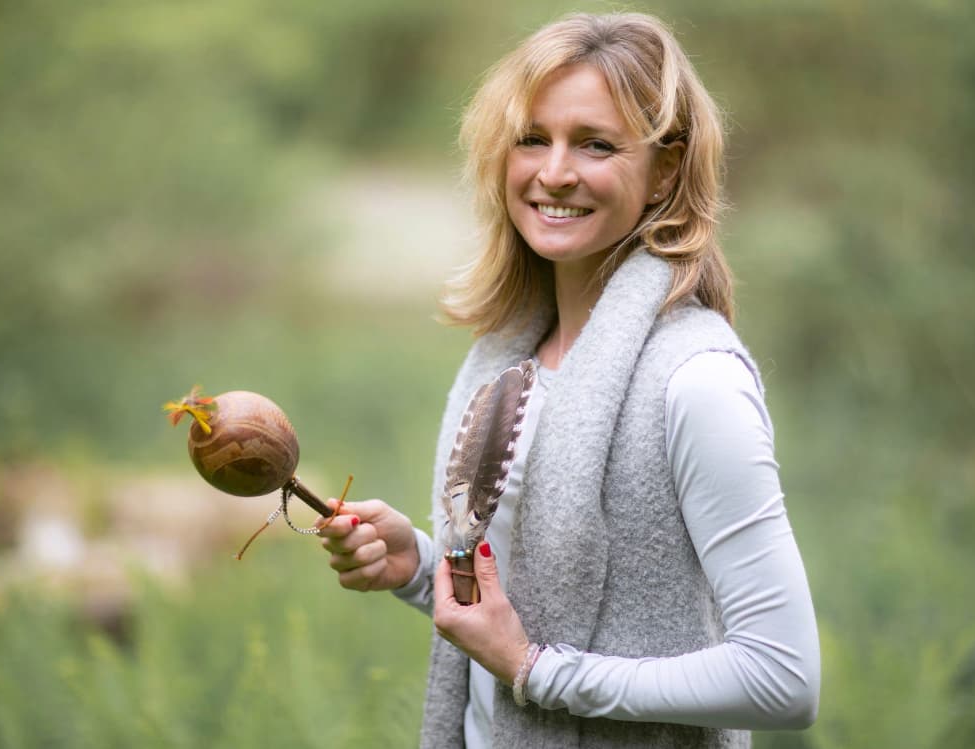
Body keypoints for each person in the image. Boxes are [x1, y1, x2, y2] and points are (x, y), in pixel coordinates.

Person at [316, 12, 820, 748]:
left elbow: (783, 677)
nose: (553, 172)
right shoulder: (504, 360)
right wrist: (421, 567)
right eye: (532, 138)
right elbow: (516, 619)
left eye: (595, 144)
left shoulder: (695, 381)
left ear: (665, 170)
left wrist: (535, 669)